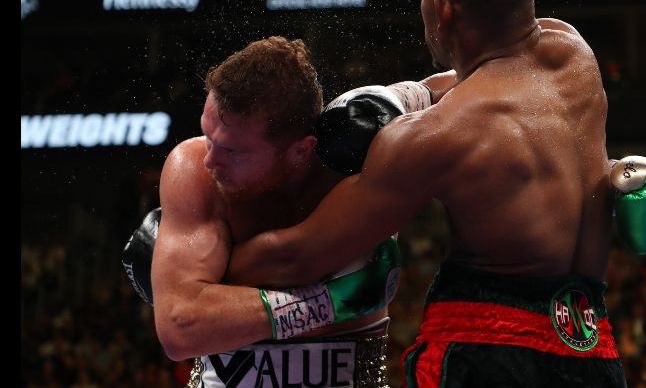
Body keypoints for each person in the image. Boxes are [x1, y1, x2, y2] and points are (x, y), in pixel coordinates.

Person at [220, 0, 646, 387]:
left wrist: (192, 261)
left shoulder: (433, 138)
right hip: (590, 346)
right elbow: (480, 81)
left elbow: (297, 257)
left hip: (484, 354)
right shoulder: (573, 54)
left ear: (441, 7)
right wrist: (401, 96)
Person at [137, 35, 456, 388]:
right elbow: (182, 328)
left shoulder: (361, 144)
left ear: (300, 151)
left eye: (232, 151)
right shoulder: (193, 168)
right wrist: (332, 302)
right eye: (207, 136)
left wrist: (527, 37)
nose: (210, 160)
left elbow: (471, 81)